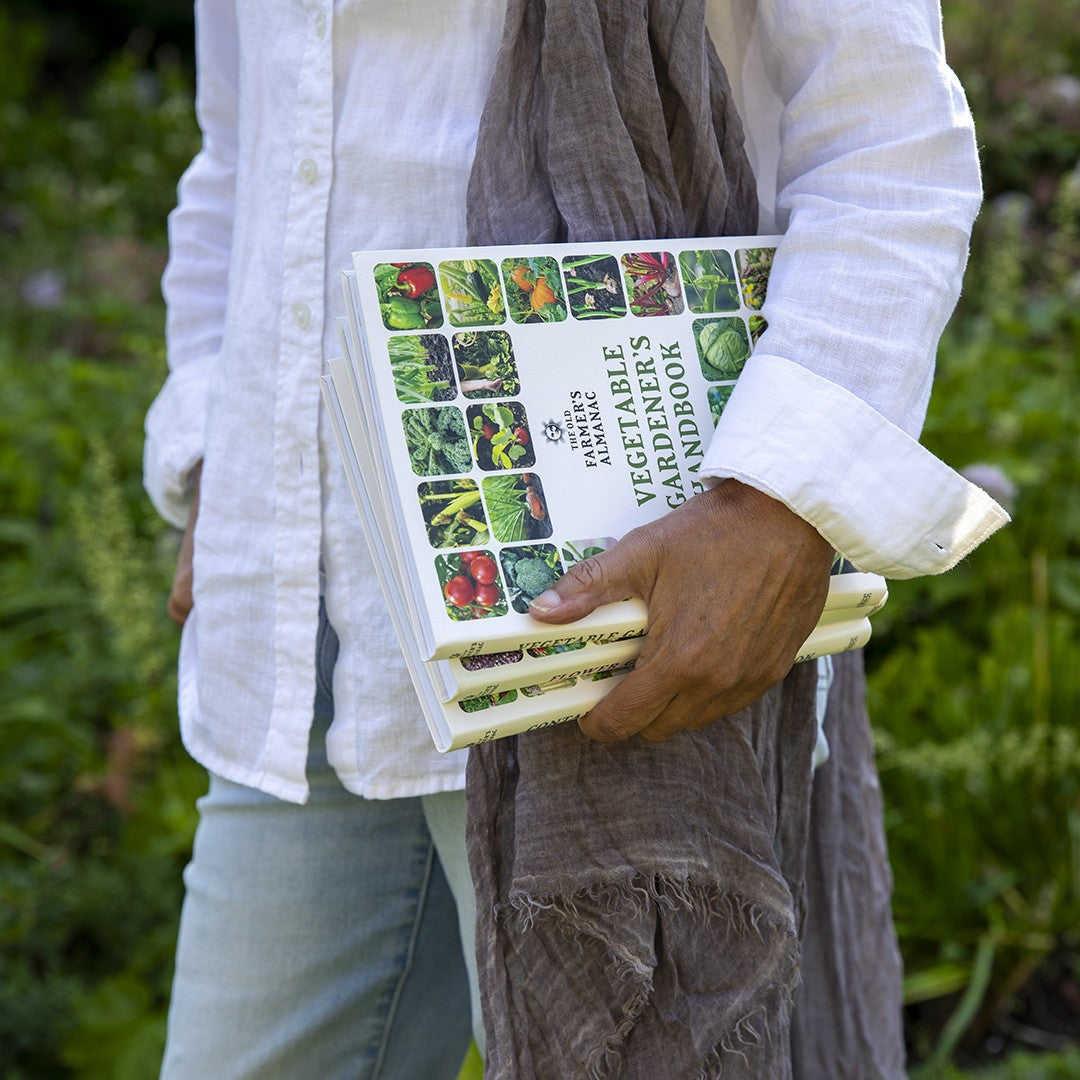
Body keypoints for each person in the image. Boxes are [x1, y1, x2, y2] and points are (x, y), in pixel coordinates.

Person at [145, 1, 1007, 1077]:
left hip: (613, 613)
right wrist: (219, 447)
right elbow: (244, 146)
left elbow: (887, 135)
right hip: (298, 626)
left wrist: (778, 505)